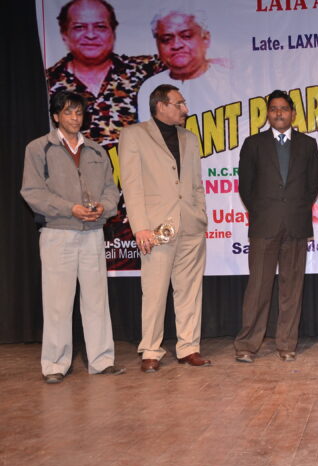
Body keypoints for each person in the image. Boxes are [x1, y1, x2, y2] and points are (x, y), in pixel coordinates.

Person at [21, 91, 123, 383]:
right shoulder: (39, 148)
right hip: (58, 233)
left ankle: (101, 360)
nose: (75, 118)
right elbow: (32, 192)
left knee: (97, 300)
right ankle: (55, 364)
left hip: (92, 232)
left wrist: (104, 208)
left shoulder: (96, 150)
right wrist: (70, 209)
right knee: (58, 302)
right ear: (56, 116)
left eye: (78, 113)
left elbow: (111, 189)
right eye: (68, 112)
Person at [119, 84, 210, 372]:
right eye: (179, 104)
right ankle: (150, 350)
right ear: (161, 106)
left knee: (190, 291)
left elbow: (196, 184)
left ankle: (189, 347)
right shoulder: (134, 135)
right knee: (155, 291)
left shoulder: (190, 138)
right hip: (156, 228)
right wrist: (140, 228)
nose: (185, 109)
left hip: (191, 225)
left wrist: (200, 215)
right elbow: (131, 185)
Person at [233, 90, 318, 363]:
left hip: (296, 224)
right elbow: (246, 187)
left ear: (293, 113)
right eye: (273, 109)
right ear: (268, 114)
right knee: (258, 288)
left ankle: (287, 343)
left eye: (284, 108)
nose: (279, 113)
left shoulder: (308, 144)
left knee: (291, 289)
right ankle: (247, 344)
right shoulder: (253, 144)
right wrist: (263, 212)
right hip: (264, 226)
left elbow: (312, 186)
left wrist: (294, 209)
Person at [47, 0, 164, 147]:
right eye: (79, 27)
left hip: (133, 161)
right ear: (64, 33)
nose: (91, 35)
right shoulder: (48, 81)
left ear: (113, 32)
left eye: (100, 27)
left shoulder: (144, 69)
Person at [136, 9, 227, 122]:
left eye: (186, 36)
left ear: (206, 39)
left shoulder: (226, 78)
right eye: (166, 39)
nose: (176, 45)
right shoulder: (150, 87)